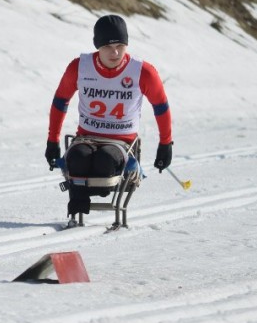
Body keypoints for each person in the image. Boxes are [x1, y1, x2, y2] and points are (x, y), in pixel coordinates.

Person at [45, 14, 172, 226]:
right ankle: (77, 204)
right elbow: (60, 101)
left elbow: (161, 106)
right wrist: (52, 141)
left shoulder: (143, 72)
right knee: (77, 158)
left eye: (121, 45)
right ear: (97, 46)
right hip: (86, 138)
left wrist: (166, 144)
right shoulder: (79, 67)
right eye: (108, 46)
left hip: (121, 143)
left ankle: (93, 194)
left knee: (105, 160)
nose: (115, 53)